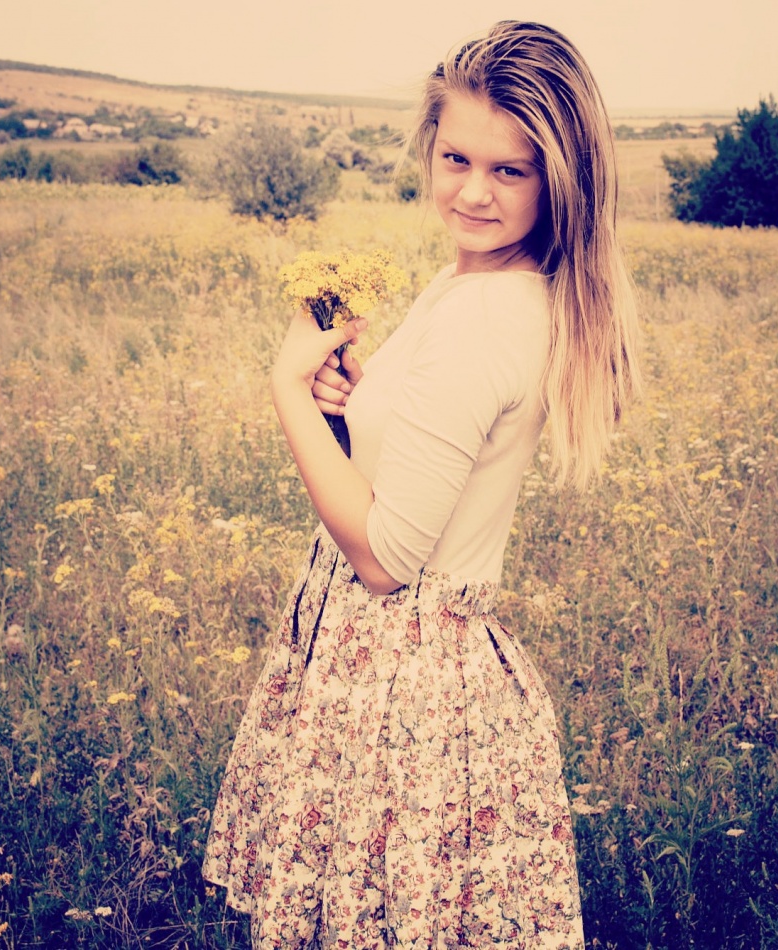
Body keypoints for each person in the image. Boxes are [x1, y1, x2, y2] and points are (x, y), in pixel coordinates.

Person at [203, 20, 640, 948]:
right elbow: (421, 468)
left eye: (510, 170)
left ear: (560, 182)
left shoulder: (483, 317)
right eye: (456, 158)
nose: (473, 192)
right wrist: (350, 412)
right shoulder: (475, 285)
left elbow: (387, 559)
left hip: (402, 684)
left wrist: (286, 387)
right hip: (394, 669)